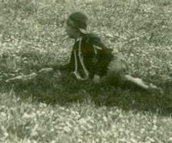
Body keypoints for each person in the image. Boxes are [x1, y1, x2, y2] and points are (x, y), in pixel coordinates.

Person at [8, 12, 157, 91]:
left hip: (114, 62)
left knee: (110, 80)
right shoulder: (77, 45)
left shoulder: (90, 40)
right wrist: (53, 68)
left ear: (74, 27)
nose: (65, 29)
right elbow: (72, 66)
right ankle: (136, 83)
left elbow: (106, 55)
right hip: (105, 68)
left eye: (66, 26)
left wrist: (97, 75)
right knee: (108, 83)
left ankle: (140, 84)